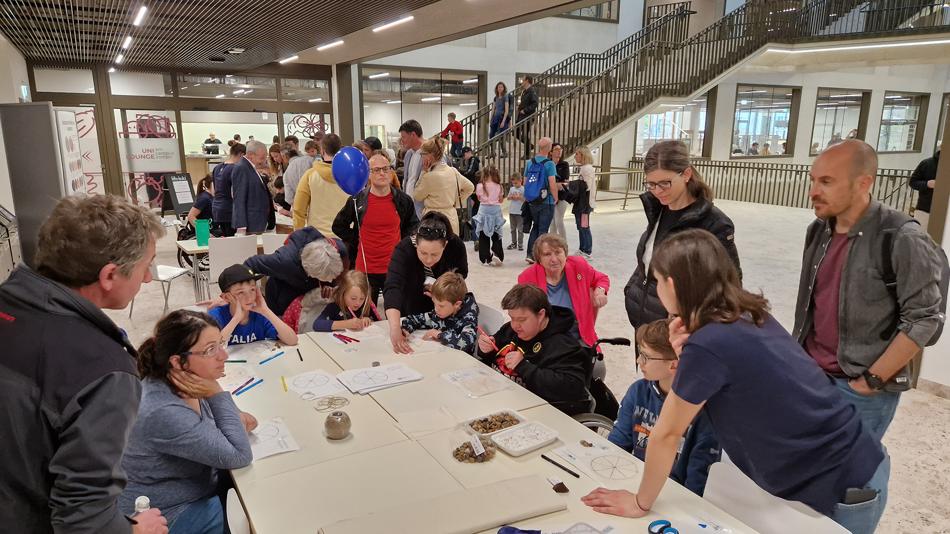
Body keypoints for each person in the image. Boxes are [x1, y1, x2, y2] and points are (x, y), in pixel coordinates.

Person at [582, 230, 888, 534]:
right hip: (852, 462)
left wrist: (641, 503)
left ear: (672, 285)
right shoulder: (744, 314)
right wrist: (685, 355)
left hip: (841, 482)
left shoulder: (708, 342)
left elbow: (666, 434)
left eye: (658, 281)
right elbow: (736, 377)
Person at [0, 195, 168, 533]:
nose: (148, 278)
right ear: (109, 276)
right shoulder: (104, 370)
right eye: (145, 265)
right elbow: (83, 519)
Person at [793, 140, 944, 445]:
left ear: (863, 183)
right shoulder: (818, 230)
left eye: (826, 181)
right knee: (813, 470)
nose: (813, 191)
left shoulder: (901, 237)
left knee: (856, 480)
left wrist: (873, 379)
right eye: (813, 180)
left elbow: (925, 317)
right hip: (812, 375)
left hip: (861, 387)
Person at [120, 310, 254, 534]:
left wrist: (229, 413)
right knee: (250, 516)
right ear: (178, 362)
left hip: (194, 484)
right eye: (211, 349)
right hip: (166, 513)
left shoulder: (185, 380)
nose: (224, 356)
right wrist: (217, 392)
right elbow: (240, 456)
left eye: (221, 343)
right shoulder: (163, 410)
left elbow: (224, 426)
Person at [623, 140, 740, 329]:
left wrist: (684, 323)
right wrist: (632, 291)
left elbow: (729, 287)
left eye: (665, 183)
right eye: (651, 184)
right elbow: (649, 259)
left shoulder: (714, 223)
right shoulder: (659, 209)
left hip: (678, 331)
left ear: (686, 174)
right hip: (646, 327)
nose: (658, 191)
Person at [607, 319, 720, 496]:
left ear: (673, 365)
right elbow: (616, 445)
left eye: (646, 356)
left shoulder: (703, 413)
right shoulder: (638, 391)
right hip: (632, 482)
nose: (638, 361)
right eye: (639, 353)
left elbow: (696, 483)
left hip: (673, 496)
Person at [476, 284, 588, 408]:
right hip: (497, 396)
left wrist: (524, 367)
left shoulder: (563, 345)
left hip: (535, 409)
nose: (515, 325)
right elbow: (491, 355)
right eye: (512, 318)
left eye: (522, 319)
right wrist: (486, 349)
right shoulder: (511, 329)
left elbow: (572, 387)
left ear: (540, 315)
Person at [332, 153, 418, 305]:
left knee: (397, 310)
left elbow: (413, 226)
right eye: (376, 170)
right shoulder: (357, 200)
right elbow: (338, 226)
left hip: (394, 267)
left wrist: (404, 246)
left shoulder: (403, 200)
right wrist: (358, 239)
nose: (382, 173)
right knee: (364, 314)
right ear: (368, 174)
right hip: (365, 267)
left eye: (386, 169)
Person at [384, 212, 468, 353]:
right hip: (411, 311)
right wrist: (394, 327)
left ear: (445, 244)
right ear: (416, 242)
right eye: (423, 253)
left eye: (435, 254)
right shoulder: (404, 249)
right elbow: (393, 286)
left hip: (445, 313)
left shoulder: (456, 246)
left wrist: (442, 290)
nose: (428, 260)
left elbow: (461, 276)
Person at [518, 234, 608, 349]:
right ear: (538, 259)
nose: (554, 259)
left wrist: (600, 291)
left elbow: (601, 278)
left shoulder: (578, 265)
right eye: (547, 254)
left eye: (558, 252)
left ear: (565, 254)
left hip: (580, 339)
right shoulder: (527, 278)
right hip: (546, 342)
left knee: (598, 366)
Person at [244, 227, 348, 316]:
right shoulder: (284, 261)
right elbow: (250, 264)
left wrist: (330, 285)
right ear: (309, 271)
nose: (330, 280)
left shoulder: (339, 250)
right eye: (325, 277)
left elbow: (339, 276)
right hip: (282, 297)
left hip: (309, 298)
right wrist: (253, 295)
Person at [208, 264, 298, 346]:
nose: (249, 298)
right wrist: (236, 318)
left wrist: (266, 311)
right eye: (240, 292)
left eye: (252, 290)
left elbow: (292, 340)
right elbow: (213, 349)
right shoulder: (216, 316)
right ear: (226, 297)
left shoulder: (260, 315)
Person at [401, 272, 479, 354]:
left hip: (462, 362)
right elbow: (417, 319)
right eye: (434, 303)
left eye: (441, 306)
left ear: (457, 304)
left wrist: (440, 335)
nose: (436, 309)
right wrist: (405, 328)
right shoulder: (441, 312)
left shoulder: (469, 317)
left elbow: (466, 343)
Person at [412, 136, 475, 236]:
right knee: (451, 249)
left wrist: (424, 171)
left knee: (434, 250)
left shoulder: (429, 176)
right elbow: (470, 187)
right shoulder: (453, 171)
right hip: (451, 217)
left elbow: (417, 196)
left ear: (429, 156)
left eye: (422, 154)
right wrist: (455, 202)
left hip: (432, 220)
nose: (421, 157)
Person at [292, 133, 349, 238]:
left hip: (317, 238)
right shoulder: (351, 176)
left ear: (322, 150)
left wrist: (298, 236)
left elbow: (299, 209)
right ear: (340, 149)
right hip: (345, 238)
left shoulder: (309, 175)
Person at [523, 137, 559, 262]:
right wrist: (556, 197)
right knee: (543, 229)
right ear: (549, 148)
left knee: (536, 226)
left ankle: (530, 254)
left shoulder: (529, 162)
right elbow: (552, 183)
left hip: (533, 200)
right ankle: (539, 256)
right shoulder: (549, 164)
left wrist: (528, 196)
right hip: (545, 200)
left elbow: (525, 182)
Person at [312, 270, 381, 332]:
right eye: (353, 298)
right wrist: (346, 324)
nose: (358, 303)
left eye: (362, 298)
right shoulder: (334, 306)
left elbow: (381, 323)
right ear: (343, 294)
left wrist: (369, 320)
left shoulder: (367, 305)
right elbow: (317, 324)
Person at [231, 139, 273, 235]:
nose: (263, 161)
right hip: (251, 224)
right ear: (250, 155)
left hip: (258, 222)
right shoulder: (241, 168)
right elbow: (239, 198)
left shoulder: (250, 167)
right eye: (262, 158)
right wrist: (241, 226)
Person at [472, 166, 507, 265]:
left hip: (483, 210)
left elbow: (479, 198)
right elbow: (501, 200)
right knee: (496, 233)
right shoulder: (499, 186)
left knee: (483, 235)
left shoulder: (479, 186)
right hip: (496, 211)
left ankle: (485, 258)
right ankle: (497, 254)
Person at [211, 143, 245, 237]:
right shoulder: (235, 169)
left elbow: (214, 190)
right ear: (241, 155)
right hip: (230, 210)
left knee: (225, 238)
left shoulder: (217, 168)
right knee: (232, 241)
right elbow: (235, 193)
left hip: (217, 209)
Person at [399, 119, 426, 217]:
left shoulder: (431, 154)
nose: (402, 140)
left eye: (403, 137)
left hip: (424, 210)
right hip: (409, 208)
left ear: (413, 135)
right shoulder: (408, 154)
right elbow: (408, 180)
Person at [572, 145, 596, 257]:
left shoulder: (587, 169)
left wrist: (572, 185)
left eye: (577, 154)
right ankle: (582, 249)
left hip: (584, 204)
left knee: (584, 227)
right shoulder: (584, 168)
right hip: (582, 203)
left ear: (583, 155)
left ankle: (587, 250)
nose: (575, 156)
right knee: (580, 226)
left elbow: (587, 186)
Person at [909, 148, 939, 229]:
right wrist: (927, 184)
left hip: (945, 214)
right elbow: (912, 182)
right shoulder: (926, 163)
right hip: (924, 211)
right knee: (917, 238)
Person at [283, 139, 317, 205]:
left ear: (284, 156)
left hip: (303, 206)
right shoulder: (311, 160)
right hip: (319, 202)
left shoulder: (286, 174)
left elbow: (289, 199)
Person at [550, 143, 571, 240]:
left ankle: (564, 243)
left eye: (560, 149)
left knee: (559, 220)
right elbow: (548, 181)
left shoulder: (564, 164)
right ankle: (553, 244)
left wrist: (554, 183)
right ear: (551, 152)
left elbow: (564, 181)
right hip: (550, 195)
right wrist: (556, 184)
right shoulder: (548, 164)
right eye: (556, 149)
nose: (559, 151)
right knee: (552, 222)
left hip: (562, 196)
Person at [515, 76, 539, 160]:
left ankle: (527, 154)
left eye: (523, 80)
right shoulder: (524, 92)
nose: (522, 82)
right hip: (521, 116)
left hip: (528, 116)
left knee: (525, 134)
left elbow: (535, 103)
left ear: (527, 81)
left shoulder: (532, 91)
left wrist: (525, 110)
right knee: (516, 133)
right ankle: (530, 146)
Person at [489, 81, 512, 158]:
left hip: (502, 118)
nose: (500, 88)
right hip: (495, 118)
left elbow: (506, 110)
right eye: (499, 87)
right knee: (491, 135)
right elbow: (493, 109)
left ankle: (504, 152)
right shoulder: (495, 98)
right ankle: (492, 152)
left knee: (501, 136)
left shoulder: (505, 97)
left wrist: (503, 121)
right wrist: (491, 118)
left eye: (501, 87)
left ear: (504, 88)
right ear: (497, 88)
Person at [506, 174, 525, 251]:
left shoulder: (523, 189)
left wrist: (520, 197)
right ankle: (514, 243)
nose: (515, 185)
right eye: (513, 183)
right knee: (512, 229)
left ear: (521, 181)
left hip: (520, 212)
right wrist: (511, 197)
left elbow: (525, 199)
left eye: (516, 183)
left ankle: (520, 244)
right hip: (512, 211)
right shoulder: (512, 189)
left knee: (520, 229)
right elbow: (507, 198)